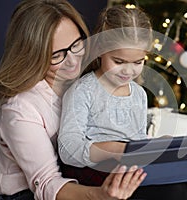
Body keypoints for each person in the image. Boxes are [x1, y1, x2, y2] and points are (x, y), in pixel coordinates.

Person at [0, 0, 147, 199]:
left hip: (82, 176)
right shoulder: (20, 109)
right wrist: (101, 195)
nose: (73, 61)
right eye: (57, 55)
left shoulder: (88, 83)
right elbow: (47, 183)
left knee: (186, 183)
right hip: (31, 194)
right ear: (33, 55)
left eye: (76, 45)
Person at [57, 5, 152, 186]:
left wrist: (155, 148)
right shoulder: (83, 91)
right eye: (118, 61)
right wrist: (117, 149)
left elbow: (139, 140)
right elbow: (68, 150)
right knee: (173, 192)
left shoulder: (139, 94)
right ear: (101, 50)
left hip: (127, 169)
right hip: (93, 170)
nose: (128, 70)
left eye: (138, 62)